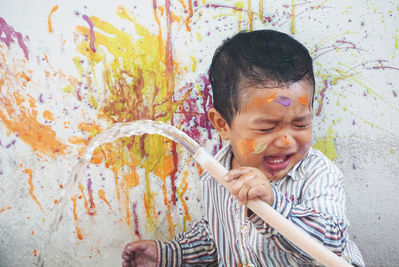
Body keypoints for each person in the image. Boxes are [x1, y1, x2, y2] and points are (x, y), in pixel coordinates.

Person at [121, 29, 365, 267]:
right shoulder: (216, 175)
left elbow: (332, 241)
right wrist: (171, 254)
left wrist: (273, 206)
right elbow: (218, 237)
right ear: (222, 125)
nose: (287, 141)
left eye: (300, 124)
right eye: (267, 128)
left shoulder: (317, 174)